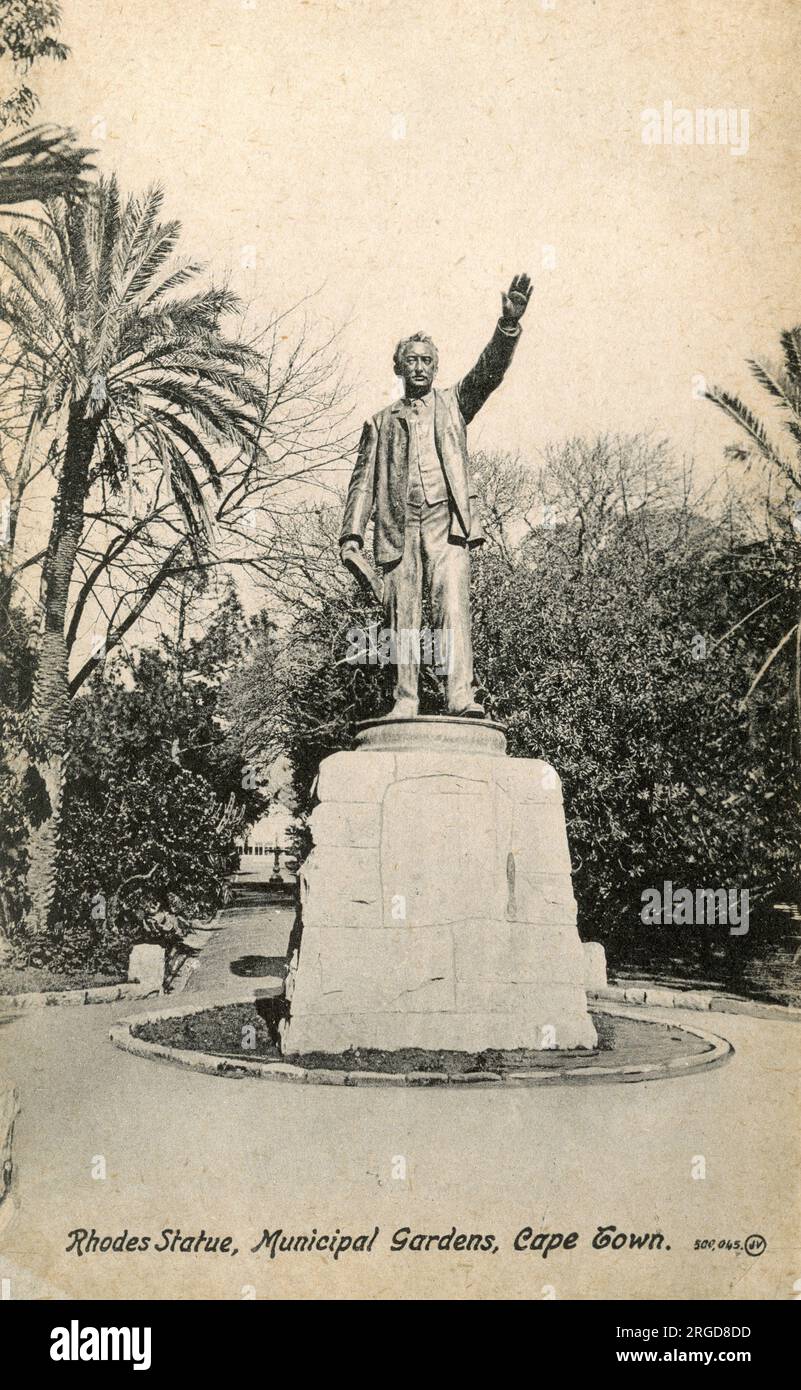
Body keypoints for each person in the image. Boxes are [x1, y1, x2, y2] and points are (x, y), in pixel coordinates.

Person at [340, 273, 532, 718]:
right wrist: (351, 534)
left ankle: (460, 697)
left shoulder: (454, 404)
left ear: (436, 367)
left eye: (427, 360)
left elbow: (489, 373)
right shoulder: (379, 422)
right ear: (399, 367)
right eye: (412, 359)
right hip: (397, 524)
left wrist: (507, 328)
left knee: (452, 608)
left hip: (446, 523)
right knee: (402, 616)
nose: (420, 366)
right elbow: (363, 482)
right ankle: (404, 701)